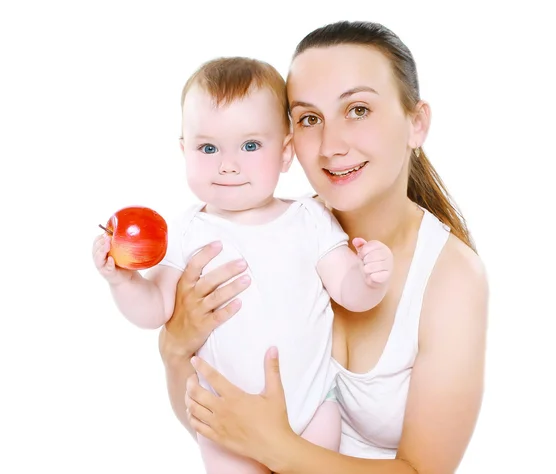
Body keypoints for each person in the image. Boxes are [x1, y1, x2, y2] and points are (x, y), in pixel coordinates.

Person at [159, 20, 489, 474]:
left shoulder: (452, 278)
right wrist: (175, 347)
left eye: (357, 110)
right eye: (310, 118)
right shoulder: (276, 232)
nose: (331, 146)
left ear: (416, 123)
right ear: (289, 140)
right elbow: (214, 422)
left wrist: (276, 447)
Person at [92, 56, 394, 473]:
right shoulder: (185, 232)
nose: (228, 164)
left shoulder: (310, 220)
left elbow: (350, 292)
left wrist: (371, 276)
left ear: (286, 152)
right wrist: (123, 281)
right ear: (184, 150)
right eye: (208, 147)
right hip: (225, 418)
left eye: (250, 146)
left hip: (311, 410)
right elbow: (155, 311)